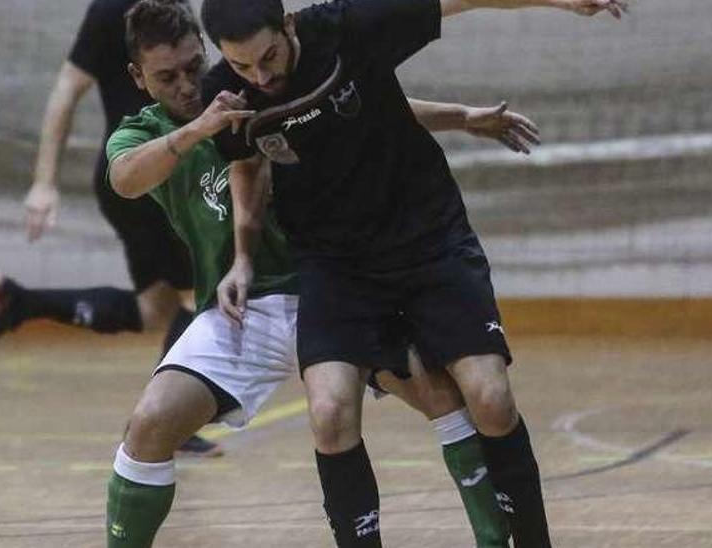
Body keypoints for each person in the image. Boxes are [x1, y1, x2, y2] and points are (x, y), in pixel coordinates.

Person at [98, 2, 544, 546]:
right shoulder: (147, 133)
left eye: (194, 66)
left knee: (446, 396)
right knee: (147, 425)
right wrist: (198, 130)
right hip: (247, 310)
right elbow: (124, 178)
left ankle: (498, 535)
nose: (188, 85)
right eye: (167, 76)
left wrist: (462, 116)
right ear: (138, 78)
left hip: (330, 280)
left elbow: (371, 105)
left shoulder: (252, 88)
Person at [199, 0, 627, 545]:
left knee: (491, 403)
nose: (261, 76)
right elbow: (246, 163)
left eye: (269, 56)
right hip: (336, 264)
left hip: (428, 238)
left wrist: (562, 2)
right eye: (242, 66)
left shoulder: (346, 27)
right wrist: (243, 256)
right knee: (329, 414)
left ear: (288, 25)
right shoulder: (229, 97)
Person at [0, 0, 220, 456]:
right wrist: (43, 182)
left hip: (164, 172)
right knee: (198, 294)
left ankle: (17, 303)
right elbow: (66, 88)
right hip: (140, 176)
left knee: (154, 310)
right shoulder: (112, 11)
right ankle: (166, 422)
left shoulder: (174, 12)